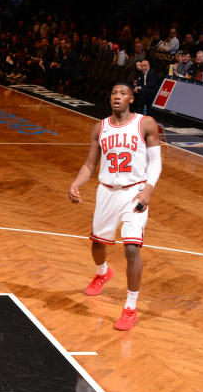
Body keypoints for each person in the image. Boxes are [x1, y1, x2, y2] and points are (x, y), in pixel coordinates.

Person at [68, 83, 162, 331]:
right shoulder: (100, 128)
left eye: (122, 93)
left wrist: (148, 189)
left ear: (131, 98)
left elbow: (156, 163)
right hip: (107, 191)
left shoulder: (146, 124)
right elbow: (89, 165)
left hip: (135, 192)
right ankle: (102, 273)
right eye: (113, 93)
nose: (117, 97)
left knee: (132, 249)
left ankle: (130, 308)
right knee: (98, 244)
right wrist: (76, 184)